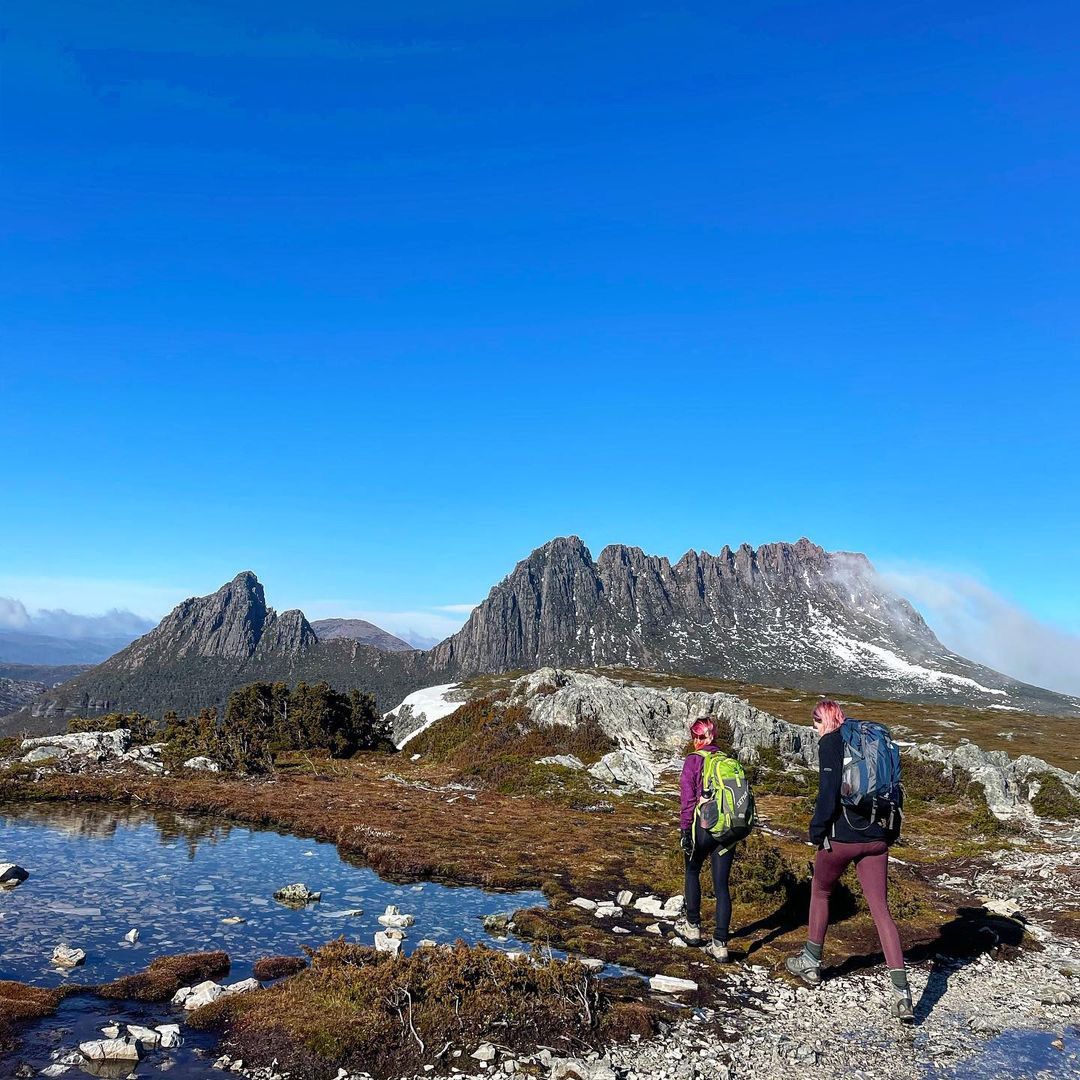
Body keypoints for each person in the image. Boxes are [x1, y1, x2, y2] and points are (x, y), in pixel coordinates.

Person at [785, 700, 914, 1022]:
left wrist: (817, 830)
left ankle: (811, 962)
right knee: (881, 910)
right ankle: (902, 993)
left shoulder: (831, 742)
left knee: (821, 891)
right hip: (877, 838)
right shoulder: (870, 739)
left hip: (842, 837)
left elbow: (828, 791)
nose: (815, 729)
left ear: (823, 720)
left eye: (815, 724)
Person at [674, 717, 735, 961]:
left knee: (692, 870)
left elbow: (688, 800)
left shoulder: (693, 761)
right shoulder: (727, 760)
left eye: (698, 736)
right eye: (694, 736)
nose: (695, 741)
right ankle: (720, 944)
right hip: (728, 831)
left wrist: (685, 829)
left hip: (704, 827)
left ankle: (693, 927)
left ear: (707, 737)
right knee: (722, 886)